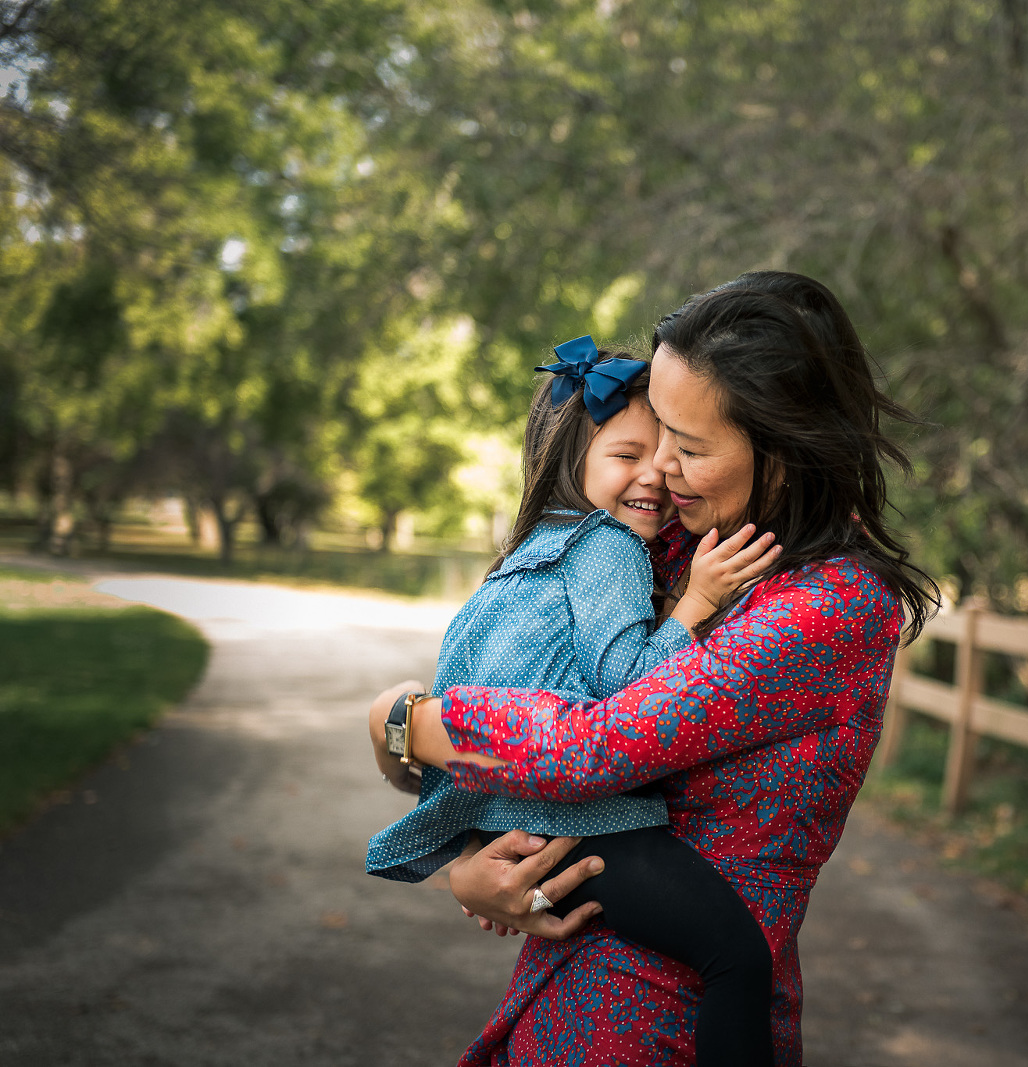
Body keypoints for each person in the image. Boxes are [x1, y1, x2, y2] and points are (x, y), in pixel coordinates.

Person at [369, 271, 939, 1066]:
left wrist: (412, 721)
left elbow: (589, 748)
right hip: (560, 994)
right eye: (655, 430)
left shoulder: (825, 608)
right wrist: (466, 854)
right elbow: (531, 690)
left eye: (690, 445)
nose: (661, 467)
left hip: (659, 1023)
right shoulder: (678, 543)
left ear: (783, 450)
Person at [366, 336, 783, 1066]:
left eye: (665, 452)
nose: (653, 474)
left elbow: (459, 683)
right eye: (627, 455)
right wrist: (697, 603)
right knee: (738, 959)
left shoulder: (523, 560)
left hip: (519, 828)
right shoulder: (611, 547)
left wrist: (470, 845)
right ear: (574, 462)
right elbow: (631, 691)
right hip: (592, 827)